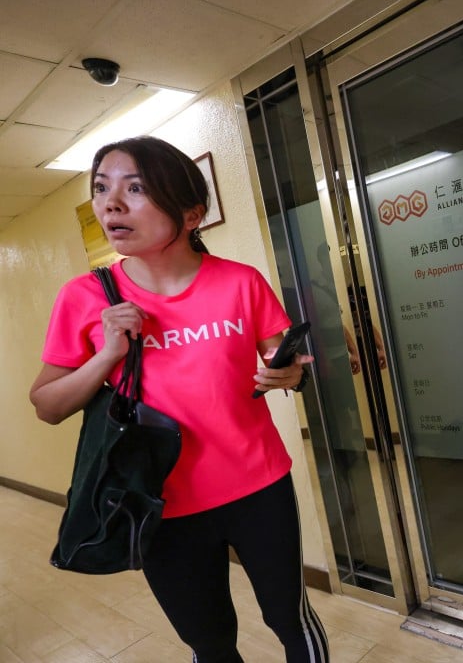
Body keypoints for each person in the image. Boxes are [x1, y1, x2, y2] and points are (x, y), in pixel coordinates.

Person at [29, 136, 329, 662]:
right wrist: (106, 356)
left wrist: (290, 377)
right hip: (160, 503)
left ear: (191, 214)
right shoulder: (86, 298)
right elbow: (47, 404)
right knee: (209, 642)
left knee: (288, 617)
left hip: (259, 487)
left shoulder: (240, 282)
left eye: (135, 188)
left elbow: (285, 367)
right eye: (102, 189)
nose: (110, 204)